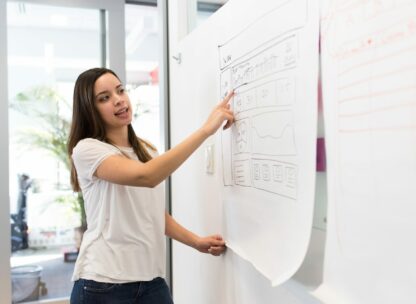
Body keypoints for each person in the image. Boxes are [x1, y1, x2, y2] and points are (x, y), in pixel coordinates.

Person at [67, 67, 234, 304]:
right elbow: (147, 177)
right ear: (90, 109)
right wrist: (206, 130)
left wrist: (196, 242)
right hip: (102, 284)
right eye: (104, 98)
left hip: (151, 281)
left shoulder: (147, 152)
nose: (118, 100)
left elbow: (153, 214)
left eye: (120, 91)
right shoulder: (88, 150)